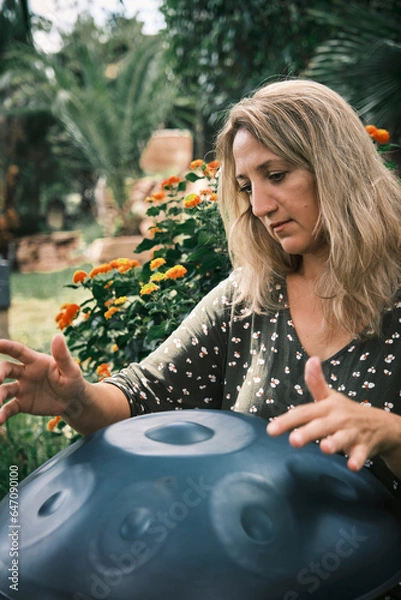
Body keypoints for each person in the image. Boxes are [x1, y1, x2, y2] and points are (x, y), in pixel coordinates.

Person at [1, 80, 401, 488]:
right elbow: (143, 396)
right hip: (252, 548)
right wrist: (78, 399)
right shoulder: (250, 297)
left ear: (336, 166)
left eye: (276, 175)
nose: (260, 207)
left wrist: (389, 434)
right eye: (247, 188)